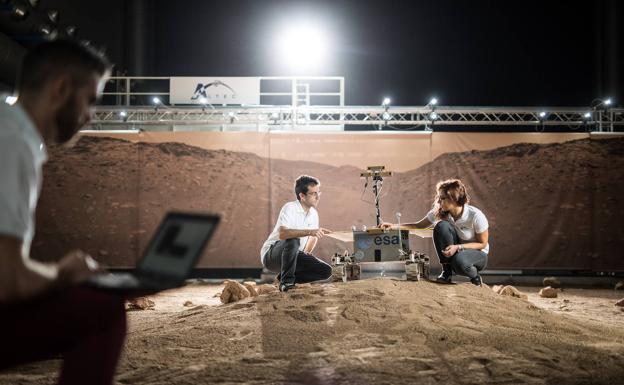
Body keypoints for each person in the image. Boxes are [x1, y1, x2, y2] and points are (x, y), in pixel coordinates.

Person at [0, 40, 126, 385]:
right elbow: (7, 282)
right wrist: (64, 273)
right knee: (101, 310)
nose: (90, 116)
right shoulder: (13, 142)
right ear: (61, 89)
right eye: (91, 100)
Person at [380, 179, 489, 286]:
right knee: (441, 226)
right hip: (456, 251)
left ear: (454, 199)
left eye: (442, 198)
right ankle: (446, 272)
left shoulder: (475, 216)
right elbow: (418, 226)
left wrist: (458, 247)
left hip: (478, 254)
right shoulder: (440, 211)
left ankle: (475, 276)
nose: (438, 201)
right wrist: (393, 226)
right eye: (439, 198)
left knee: (459, 261)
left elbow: (482, 244)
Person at [260, 175, 333, 292]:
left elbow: (313, 238)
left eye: (318, 193)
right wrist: (310, 231)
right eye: (313, 193)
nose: (318, 197)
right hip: (272, 256)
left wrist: (306, 254)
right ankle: (287, 283)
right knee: (293, 240)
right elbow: (283, 234)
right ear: (302, 196)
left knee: (326, 271)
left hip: (293, 256)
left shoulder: (314, 213)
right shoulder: (290, 208)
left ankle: (283, 278)